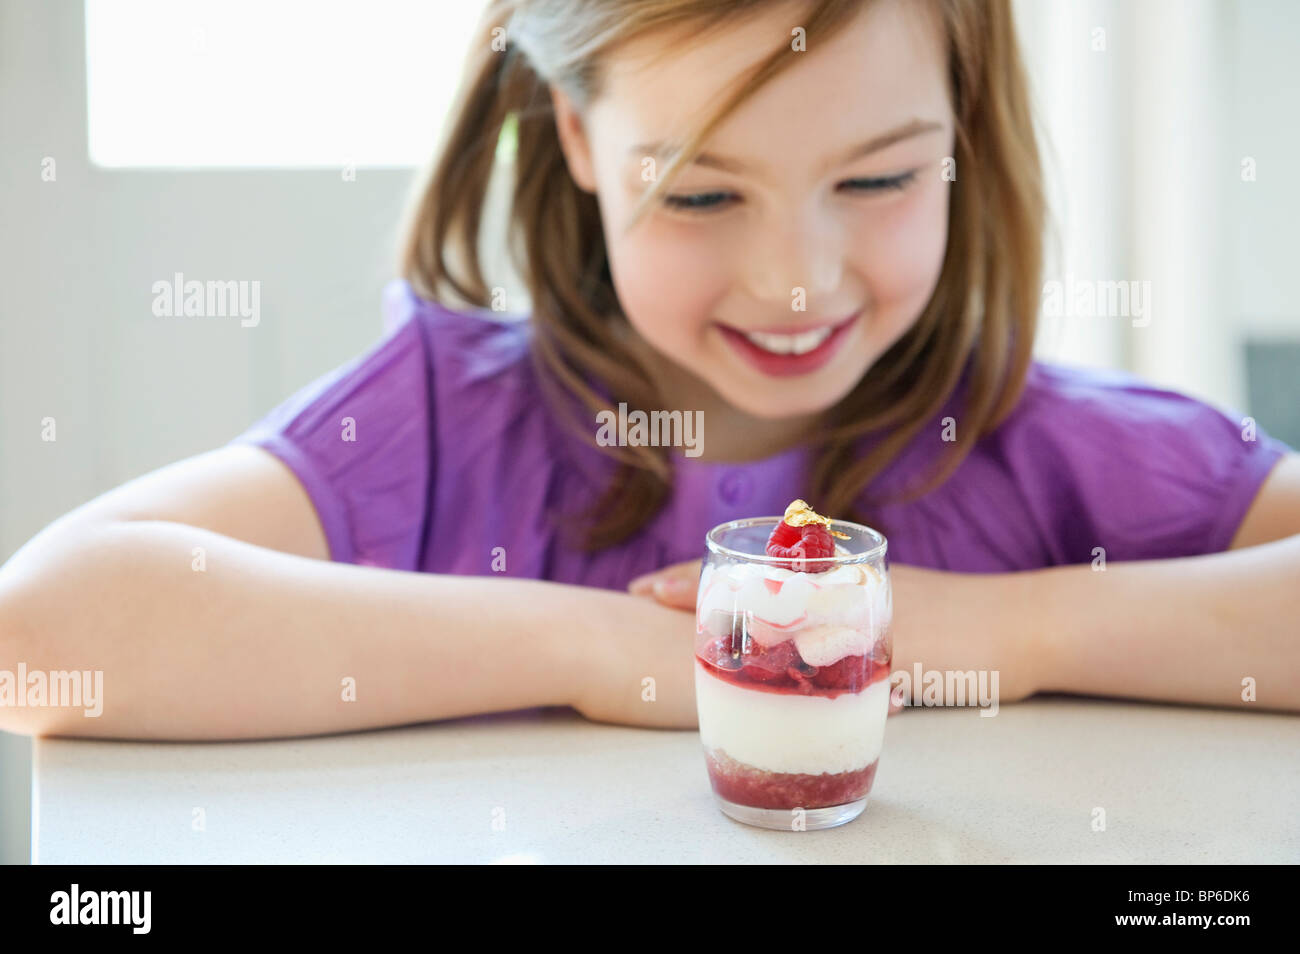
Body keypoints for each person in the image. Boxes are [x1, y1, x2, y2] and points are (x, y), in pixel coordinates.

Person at [3, 0, 1297, 741]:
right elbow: (40, 637)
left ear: (962, 134)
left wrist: (1008, 630)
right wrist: (614, 647)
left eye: (881, 177)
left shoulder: (1047, 449)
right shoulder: (443, 423)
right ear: (573, 132)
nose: (797, 277)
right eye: (701, 193)